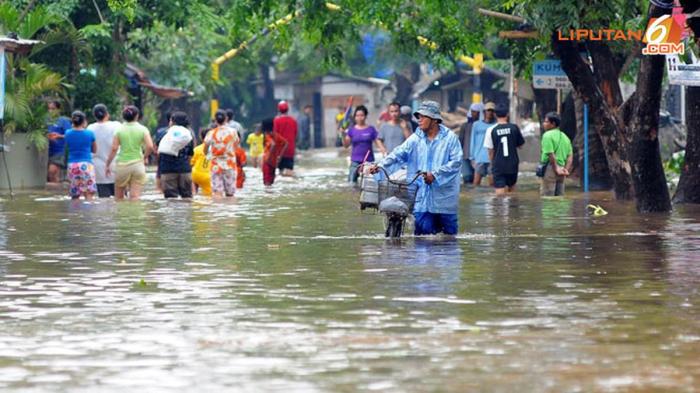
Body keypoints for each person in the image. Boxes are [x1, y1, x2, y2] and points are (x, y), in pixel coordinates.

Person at [370, 100, 462, 236]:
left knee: (449, 242)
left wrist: (435, 175)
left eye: (423, 117)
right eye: (418, 117)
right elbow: (398, 154)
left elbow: (456, 162)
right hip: (422, 199)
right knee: (422, 243)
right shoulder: (415, 138)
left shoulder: (450, 138)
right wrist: (380, 166)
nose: (419, 120)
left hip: (445, 200)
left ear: (435, 120)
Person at [105, 105, 154, 200]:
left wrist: (108, 164)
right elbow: (150, 146)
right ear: (137, 116)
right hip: (138, 165)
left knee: (119, 198)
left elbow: (114, 148)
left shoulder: (119, 130)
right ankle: (135, 215)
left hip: (122, 165)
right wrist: (144, 157)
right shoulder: (143, 129)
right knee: (135, 197)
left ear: (124, 116)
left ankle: (123, 215)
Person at [484, 103, 525, 195]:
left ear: (495, 114)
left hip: (498, 165)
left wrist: (492, 165)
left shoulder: (491, 130)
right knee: (512, 191)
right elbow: (521, 146)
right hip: (512, 164)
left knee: (499, 195)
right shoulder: (514, 128)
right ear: (507, 114)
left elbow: (490, 151)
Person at [155, 111, 195, 199]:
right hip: (185, 170)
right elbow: (190, 154)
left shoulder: (164, 134)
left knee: (171, 199)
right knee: (187, 198)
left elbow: (159, 151)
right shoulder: (189, 134)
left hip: (168, 170)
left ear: (172, 121)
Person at [342, 105, 386, 183]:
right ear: (355, 117)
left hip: (369, 162)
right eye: (357, 115)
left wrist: (384, 152)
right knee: (351, 183)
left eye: (361, 115)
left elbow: (378, 142)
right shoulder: (351, 130)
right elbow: (346, 145)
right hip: (355, 162)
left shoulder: (371, 129)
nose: (359, 117)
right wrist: (343, 134)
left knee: (369, 183)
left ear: (365, 116)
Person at [87, 104, 121, 197]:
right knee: (120, 199)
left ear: (95, 116)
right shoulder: (116, 125)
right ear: (107, 114)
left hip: (98, 168)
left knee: (103, 199)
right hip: (115, 165)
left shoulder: (90, 128)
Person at [204, 109, 239, 198]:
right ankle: (229, 211)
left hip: (216, 165)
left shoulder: (211, 133)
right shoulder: (233, 132)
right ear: (226, 119)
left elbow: (205, 149)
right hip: (230, 164)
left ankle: (218, 211)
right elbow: (236, 146)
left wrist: (208, 156)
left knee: (217, 192)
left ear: (215, 120)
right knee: (230, 194)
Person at [64, 111, 97, 200]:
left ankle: (75, 213)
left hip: (72, 165)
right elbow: (94, 150)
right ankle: (87, 213)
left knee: (75, 195)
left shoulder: (67, 133)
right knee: (89, 193)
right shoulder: (90, 133)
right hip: (86, 165)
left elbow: (67, 145)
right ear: (84, 121)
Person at [540, 112, 573, 196]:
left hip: (551, 169)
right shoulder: (565, 137)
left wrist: (556, 168)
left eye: (546, 122)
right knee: (559, 198)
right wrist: (566, 169)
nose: (544, 124)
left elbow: (551, 154)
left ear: (553, 124)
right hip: (562, 170)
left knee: (548, 198)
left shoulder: (547, 135)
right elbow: (570, 156)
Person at [470, 102, 497, 187]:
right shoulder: (476, 125)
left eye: (492, 111)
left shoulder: (496, 125)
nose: (490, 112)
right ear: (484, 112)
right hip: (479, 158)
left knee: (492, 184)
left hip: (492, 159)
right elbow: (472, 141)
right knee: (476, 183)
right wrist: (472, 157)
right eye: (488, 110)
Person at [46, 100, 72, 183]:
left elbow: (69, 135)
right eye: (49, 109)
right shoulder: (46, 120)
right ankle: (55, 193)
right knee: (51, 176)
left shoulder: (63, 121)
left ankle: (55, 192)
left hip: (58, 151)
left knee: (52, 172)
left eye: (53, 109)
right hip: (47, 151)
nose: (51, 111)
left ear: (58, 109)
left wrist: (58, 136)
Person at [458, 103, 483, 185]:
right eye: (472, 111)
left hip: (479, 157)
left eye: (476, 112)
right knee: (467, 178)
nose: (474, 114)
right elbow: (460, 141)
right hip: (466, 156)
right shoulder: (465, 126)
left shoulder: (483, 126)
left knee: (476, 179)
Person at [273, 101, 298, 177]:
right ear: (288, 109)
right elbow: (295, 134)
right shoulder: (293, 121)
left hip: (280, 150)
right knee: (289, 172)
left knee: (281, 173)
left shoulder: (276, 121)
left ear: (279, 110)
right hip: (290, 150)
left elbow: (275, 135)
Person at [262, 118, 287, 187]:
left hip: (267, 162)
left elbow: (273, 144)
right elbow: (285, 143)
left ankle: (268, 197)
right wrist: (280, 156)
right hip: (274, 162)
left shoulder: (267, 135)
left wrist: (268, 156)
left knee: (266, 183)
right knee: (271, 183)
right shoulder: (276, 135)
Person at [154, 112, 172, 193]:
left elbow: (155, 147)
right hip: (180, 164)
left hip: (163, 160)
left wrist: (157, 158)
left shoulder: (160, 132)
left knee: (159, 190)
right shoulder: (185, 132)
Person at [190, 128, 212, 196]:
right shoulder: (215, 149)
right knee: (209, 196)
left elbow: (191, 164)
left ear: (201, 138)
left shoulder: (196, 149)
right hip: (208, 176)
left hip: (196, 174)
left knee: (194, 191)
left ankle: (194, 193)